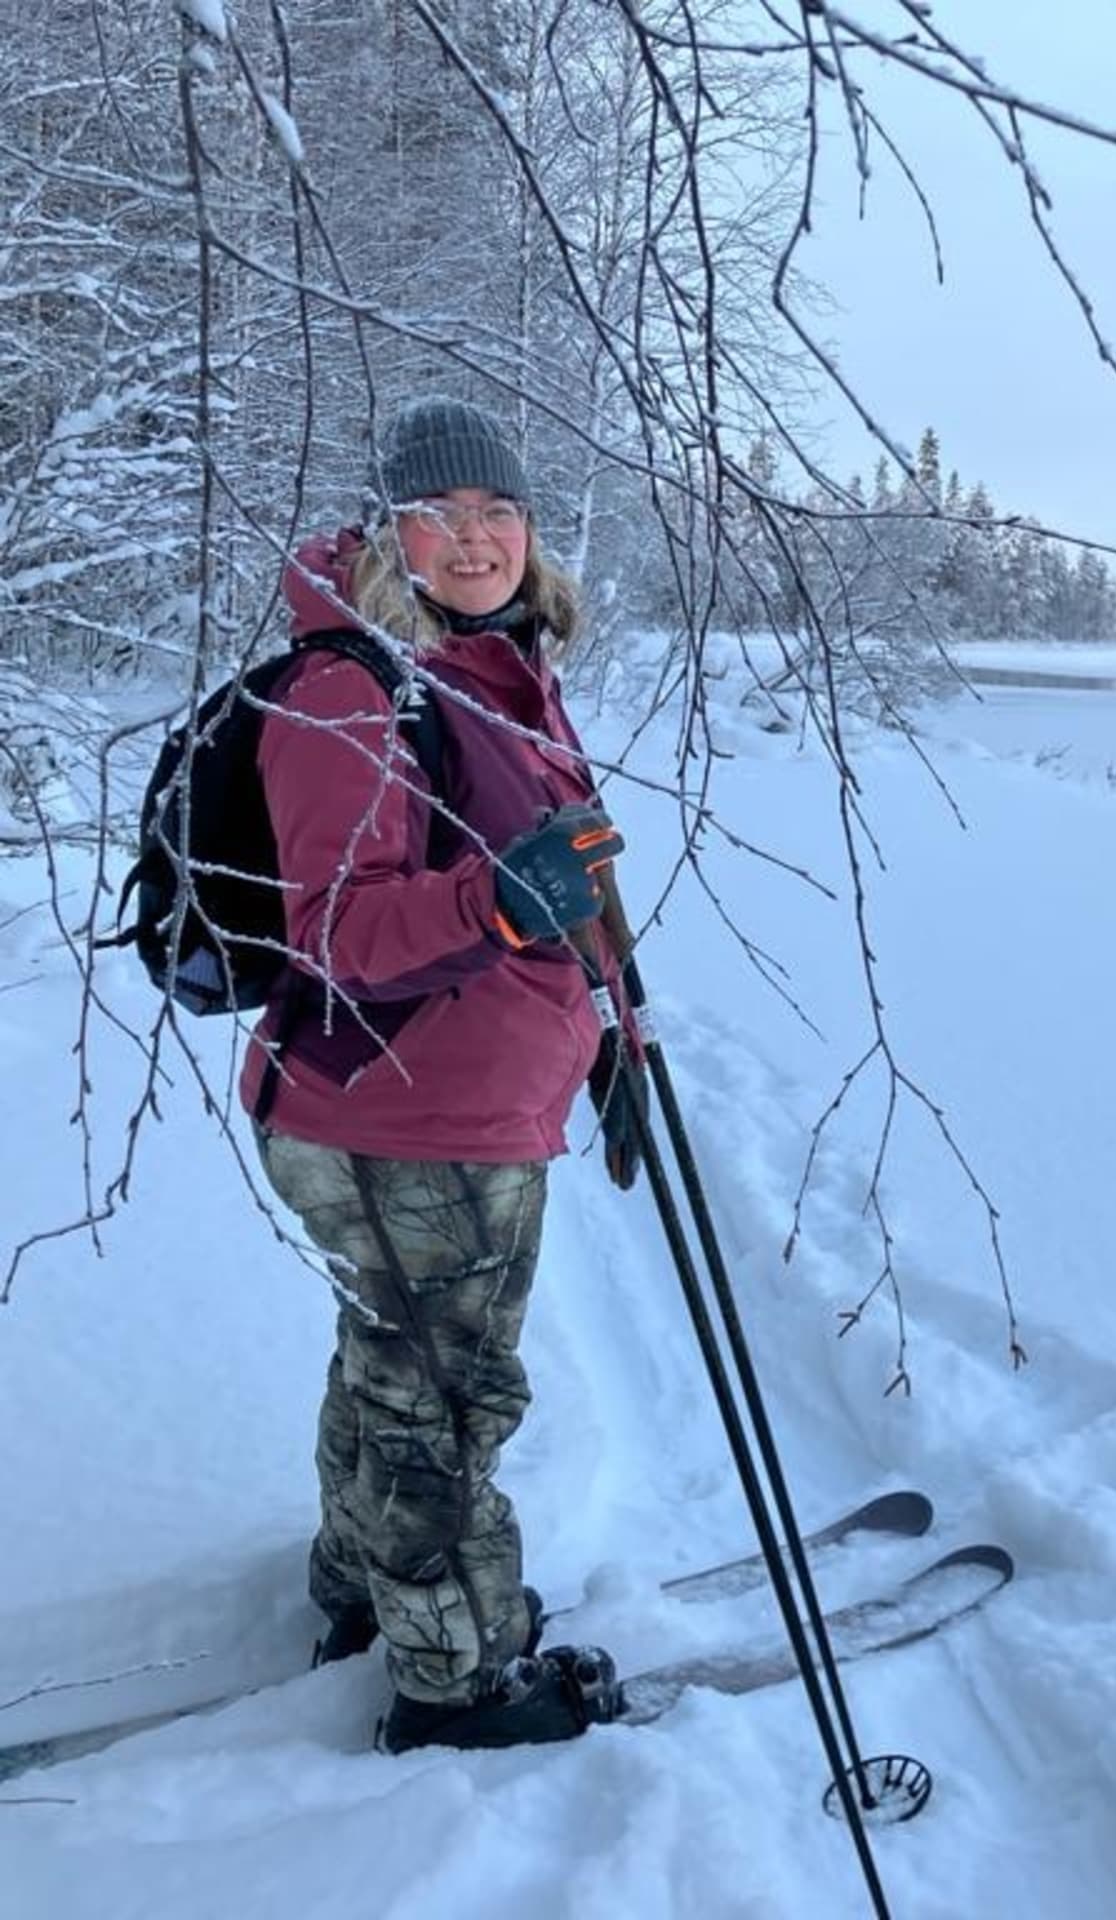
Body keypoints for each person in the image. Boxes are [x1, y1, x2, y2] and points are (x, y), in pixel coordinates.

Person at [240, 397, 649, 1753]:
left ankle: (361, 1584)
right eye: (442, 513)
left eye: (499, 514)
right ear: (388, 531)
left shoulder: (504, 671)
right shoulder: (349, 688)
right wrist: (499, 909)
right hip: (402, 1117)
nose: (474, 539)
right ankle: (454, 1681)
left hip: (463, 1105)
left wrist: (619, 1042)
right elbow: (338, 934)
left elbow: (574, 877)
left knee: (393, 1367)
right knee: (448, 1402)